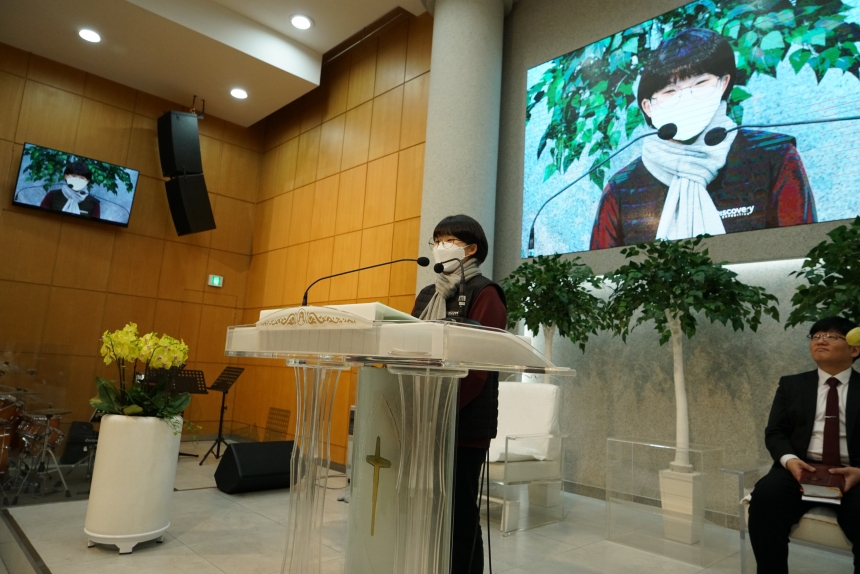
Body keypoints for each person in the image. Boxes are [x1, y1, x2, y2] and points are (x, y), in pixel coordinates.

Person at [590, 28, 816, 249]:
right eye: (670, 91)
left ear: (723, 83)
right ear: (648, 106)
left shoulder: (774, 155)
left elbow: (802, 247)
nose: (687, 100)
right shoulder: (621, 188)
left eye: (700, 83)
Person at [411, 214, 507, 574]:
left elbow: (478, 369)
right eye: (436, 240)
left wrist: (439, 410)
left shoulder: (485, 292)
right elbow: (407, 345)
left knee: (460, 515)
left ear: (470, 249)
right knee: (431, 511)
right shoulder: (428, 295)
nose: (440, 247)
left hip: (463, 425)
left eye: (448, 240)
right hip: (425, 419)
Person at [748, 316, 860, 573]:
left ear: (854, 350)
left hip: (854, 472)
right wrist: (790, 461)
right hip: (800, 468)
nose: (821, 340)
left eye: (831, 336)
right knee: (765, 499)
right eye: (816, 336)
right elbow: (775, 432)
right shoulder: (791, 385)